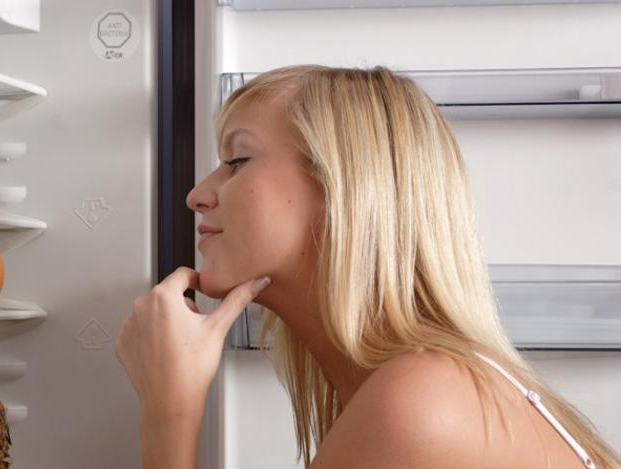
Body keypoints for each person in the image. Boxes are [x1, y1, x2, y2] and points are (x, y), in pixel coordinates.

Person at [115, 65, 621, 469]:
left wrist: (169, 410)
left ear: (342, 190)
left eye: (238, 161)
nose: (197, 195)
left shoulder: (420, 402)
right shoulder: (428, 382)